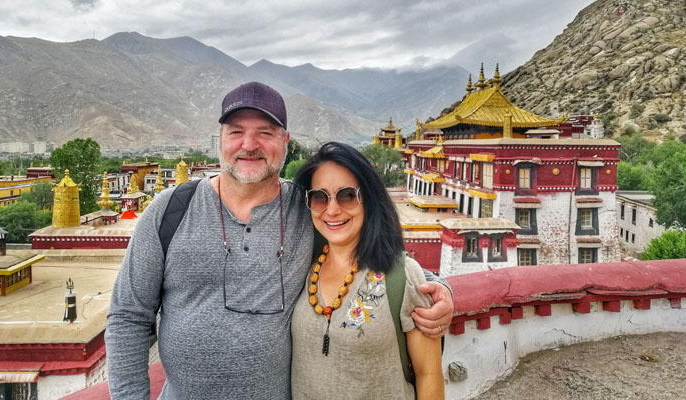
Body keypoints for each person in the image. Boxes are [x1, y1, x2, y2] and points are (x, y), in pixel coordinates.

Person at [105, 82, 453, 399]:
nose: (249, 145)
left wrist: (441, 290)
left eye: (265, 132)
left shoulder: (308, 209)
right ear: (221, 139)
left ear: (285, 142)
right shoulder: (171, 210)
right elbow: (128, 317)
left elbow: (371, 260)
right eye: (236, 131)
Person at [290, 142, 444, 399]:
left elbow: (428, 374)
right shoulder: (302, 267)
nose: (332, 210)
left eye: (347, 195)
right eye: (319, 197)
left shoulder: (401, 276)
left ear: (369, 199)